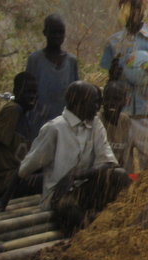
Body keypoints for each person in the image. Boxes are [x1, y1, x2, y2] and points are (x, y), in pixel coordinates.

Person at [18, 81, 130, 234]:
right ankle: (93, 230)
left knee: (120, 176)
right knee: (66, 206)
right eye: (95, 103)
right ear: (78, 103)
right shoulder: (54, 128)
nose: (99, 107)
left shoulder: (95, 124)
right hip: (59, 196)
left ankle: (111, 221)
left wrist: (74, 175)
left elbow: (110, 164)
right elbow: (25, 169)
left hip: (83, 189)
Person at [100, 0, 148, 170]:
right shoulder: (113, 42)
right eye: (127, 8)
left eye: (137, 8)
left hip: (147, 112)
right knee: (120, 166)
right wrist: (113, 75)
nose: (132, 12)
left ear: (144, 11)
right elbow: (109, 80)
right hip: (120, 116)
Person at [26, 13, 80, 131]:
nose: (57, 36)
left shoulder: (71, 61)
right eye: (54, 32)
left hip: (64, 124)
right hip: (38, 123)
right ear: (45, 32)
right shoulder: (35, 60)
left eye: (61, 32)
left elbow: (76, 95)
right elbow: (27, 93)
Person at [0, 72, 40, 210]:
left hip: (16, 176)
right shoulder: (13, 111)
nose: (32, 97)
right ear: (16, 91)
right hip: (6, 180)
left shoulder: (25, 116)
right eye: (28, 92)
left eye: (34, 92)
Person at [99, 80, 135, 174]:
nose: (112, 103)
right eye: (108, 99)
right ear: (102, 101)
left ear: (125, 102)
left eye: (117, 99)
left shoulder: (125, 121)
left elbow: (126, 157)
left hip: (117, 174)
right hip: (98, 174)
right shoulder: (97, 121)